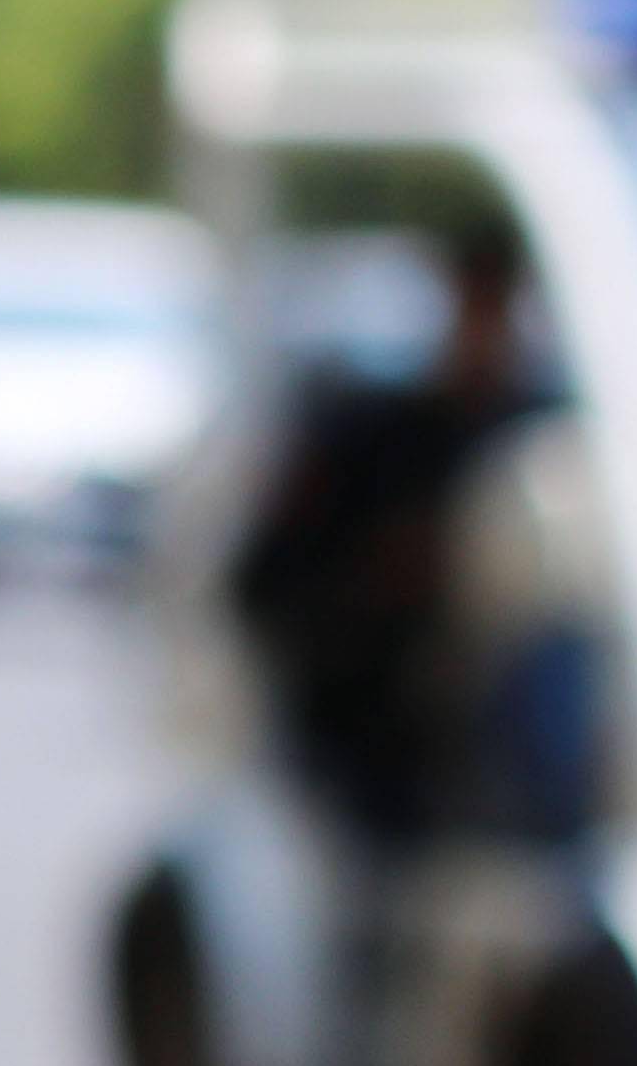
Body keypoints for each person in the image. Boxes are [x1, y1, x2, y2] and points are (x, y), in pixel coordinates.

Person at [223, 218, 547, 849]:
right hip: (374, 736)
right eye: (477, 305)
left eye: (499, 308)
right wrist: (376, 585)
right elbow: (265, 584)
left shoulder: (532, 434)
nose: (488, 332)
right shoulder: (371, 439)